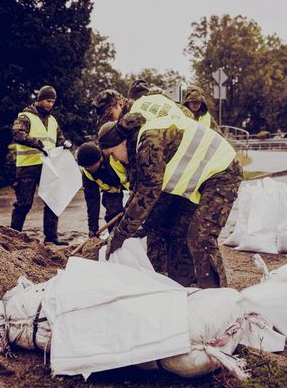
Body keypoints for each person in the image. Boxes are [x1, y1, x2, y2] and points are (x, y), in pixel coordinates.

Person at [98, 112, 243, 289]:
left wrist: (121, 234)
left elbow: (148, 192)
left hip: (223, 172)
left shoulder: (149, 142)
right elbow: (137, 194)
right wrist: (134, 227)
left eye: (112, 153)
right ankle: (180, 287)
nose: (114, 159)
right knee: (177, 230)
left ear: (121, 142)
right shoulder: (139, 147)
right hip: (204, 180)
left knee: (200, 237)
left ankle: (216, 295)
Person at [10, 85, 71, 245]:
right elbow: (17, 134)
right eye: (47, 101)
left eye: (52, 102)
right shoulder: (25, 117)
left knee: (52, 201)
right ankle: (13, 236)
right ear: (39, 100)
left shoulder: (53, 120)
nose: (50, 105)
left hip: (48, 167)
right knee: (24, 203)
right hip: (27, 167)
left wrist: (65, 143)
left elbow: (58, 139)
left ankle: (51, 237)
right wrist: (37, 144)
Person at [76, 142, 128, 237]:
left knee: (134, 216)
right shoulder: (87, 174)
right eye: (85, 166)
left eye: (90, 165)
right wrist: (93, 229)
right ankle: (115, 243)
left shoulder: (115, 159)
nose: (87, 168)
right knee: (112, 217)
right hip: (112, 194)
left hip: (129, 189)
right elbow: (92, 202)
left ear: (99, 159)